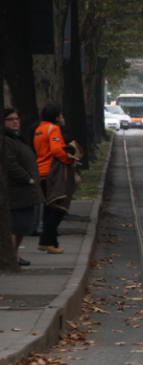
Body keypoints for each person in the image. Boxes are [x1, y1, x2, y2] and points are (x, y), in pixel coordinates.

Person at [34, 103, 77, 254]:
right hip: (53, 172)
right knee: (59, 208)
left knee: (48, 208)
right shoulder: (54, 129)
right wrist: (70, 159)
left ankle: (47, 242)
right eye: (61, 115)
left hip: (41, 171)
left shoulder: (39, 129)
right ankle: (48, 240)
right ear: (57, 117)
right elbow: (57, 150)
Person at [4, 108, 43, 266]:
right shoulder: (6, 140)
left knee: (22, 226)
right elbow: (10, 164)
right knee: (16, 225)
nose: (15, 121)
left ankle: (15, 255)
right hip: (16, 190)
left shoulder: (17, 138)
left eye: (17, 118)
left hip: (25, 191)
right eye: (10, 119)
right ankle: (11, 257)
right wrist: (27, 178)